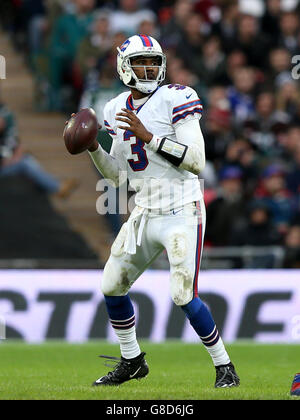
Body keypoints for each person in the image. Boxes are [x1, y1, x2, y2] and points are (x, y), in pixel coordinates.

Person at [70, 34, 240, 388]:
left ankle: (225, 367)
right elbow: (117, 175)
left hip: (181, 206)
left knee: (182, 293)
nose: (148, 68)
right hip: (145, 208)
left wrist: (149, 137)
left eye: (153, 61)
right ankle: (132, 361)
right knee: (112, 285)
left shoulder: (177, 97)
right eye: (139, 62)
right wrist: (92, 149)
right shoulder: (115, 106)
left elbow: (196, 161)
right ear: (123, 67)